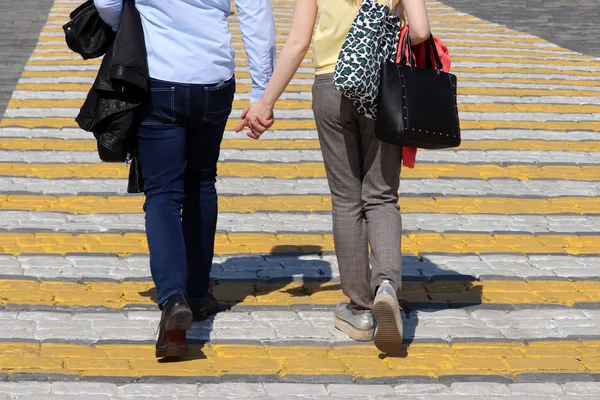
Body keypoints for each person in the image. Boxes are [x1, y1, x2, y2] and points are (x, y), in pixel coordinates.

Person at [236, 0, 431, 353]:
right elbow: (419, 32)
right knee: (382, 195)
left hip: (331, 84)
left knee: (346, 199)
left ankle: (360, 311)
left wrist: (266, 102)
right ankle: (386, 285)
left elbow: (297, 42)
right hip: (382, 83)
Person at [94, 0, 276, 358]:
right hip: (214, 78)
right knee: (202, 183)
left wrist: (127, 27)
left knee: (162, 194)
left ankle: (173, 298)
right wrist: (261, 92)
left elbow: (107, 1)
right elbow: (257, 16)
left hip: (158, 77)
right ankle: (196, 292)